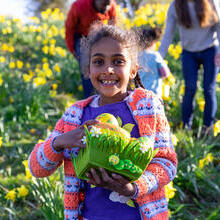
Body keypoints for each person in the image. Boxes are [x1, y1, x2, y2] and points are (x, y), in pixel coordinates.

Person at [29, 25, 177, 220]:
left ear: (133, 70)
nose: (108, 70)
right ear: (88, 70)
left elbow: (167, 163)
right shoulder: (75, 115)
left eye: (118, 61)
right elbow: (37, 168)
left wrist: (133, 188)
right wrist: (60, 142)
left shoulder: (147, 107)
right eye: (98, 61)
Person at [159, 0, 220, 131]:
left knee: (209, 89)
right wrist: (158, 58)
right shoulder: (176, 5)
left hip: (210, 50)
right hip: (189, 53)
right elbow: (168, 35)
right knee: (190, 88)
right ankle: (186, 126)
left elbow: (219, 27)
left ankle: (207, 128)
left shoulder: (211, 2)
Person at [65, 0, 117, 98]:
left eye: (108, 6)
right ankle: (90, 99)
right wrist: (73, 50)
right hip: (82, 37)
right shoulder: (79, 6)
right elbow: (69, 29)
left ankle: (107, 96)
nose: (106, 8)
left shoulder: (111, 5)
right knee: (87, 68)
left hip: (100, 35)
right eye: (103, 4)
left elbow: (113, 25)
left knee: (105, 64)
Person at [137, 27, 171, 97]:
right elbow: (165, 73)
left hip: (139, 94)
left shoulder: (137, 56)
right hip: (154, 94)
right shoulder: (155, 56)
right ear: (153, 43)